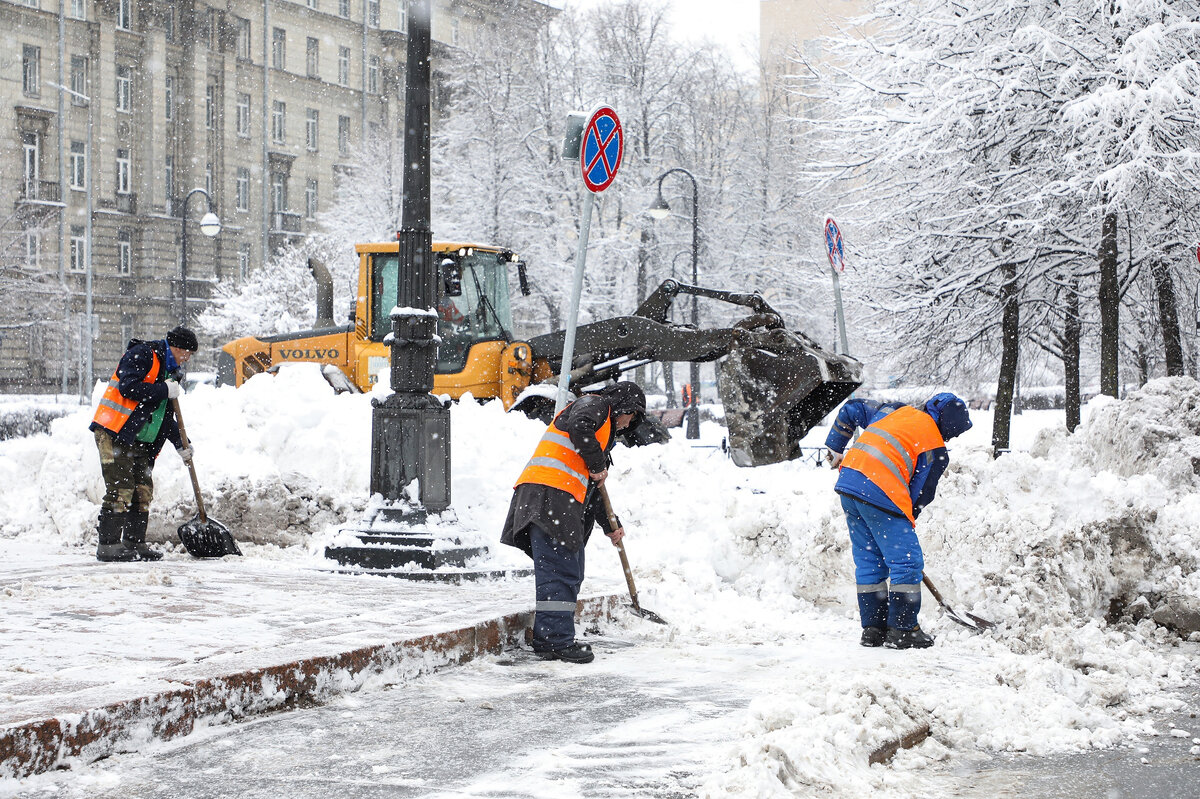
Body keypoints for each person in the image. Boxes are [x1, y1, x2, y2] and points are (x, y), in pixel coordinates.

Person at [501, 382, 647, 664]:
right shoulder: (594, 406)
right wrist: (596, 464)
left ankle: (551, 637)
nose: (629, 425)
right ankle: (555, 640)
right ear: (626, 408)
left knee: (569, 568)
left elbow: (594, 494)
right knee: (560, 569)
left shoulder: (601, 436)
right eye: (632, 417)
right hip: (548, 495)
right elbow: (579, 425)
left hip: (553, 497)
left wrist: (610, 527)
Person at [825, 393, 972, 649]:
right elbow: (920, 495)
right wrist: (904, 524)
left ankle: (873, 629)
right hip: (881, 491)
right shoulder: (935, 448)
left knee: (870, 558)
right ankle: (904, 630)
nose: (950, 439)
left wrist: (836, 446)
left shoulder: (892, 410)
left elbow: (852, 407)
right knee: (906, 561)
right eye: (953, 434)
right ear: (948, 427)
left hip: (848, 484)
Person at [89, 326, 199, 562]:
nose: (188, 358)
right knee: (121, 489)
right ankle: (108, 545)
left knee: (142, 491)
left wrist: (182, 444)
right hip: (114, 430)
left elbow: (164, 416)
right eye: (187, 352)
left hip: (138, 438)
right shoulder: (144, 354)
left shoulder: (172, 372)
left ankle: (134, 543)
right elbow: (128, 388)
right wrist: (162, 389)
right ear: (176, 347)